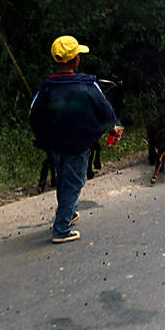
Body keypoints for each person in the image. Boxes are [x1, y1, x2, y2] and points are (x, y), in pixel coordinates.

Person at [29, 36, 120, 244]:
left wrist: (44, 136)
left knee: (63, 178)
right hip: (78, 144)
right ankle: (61, 229)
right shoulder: (87, 85)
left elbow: (34, 115)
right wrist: (112, 128)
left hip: (54, 144)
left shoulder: (46, 87)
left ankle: (68, 214)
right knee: (73, 182)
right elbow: (104, 109)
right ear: (76, 60)